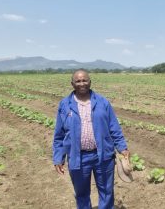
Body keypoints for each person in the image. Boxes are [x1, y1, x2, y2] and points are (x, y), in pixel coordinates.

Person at [52, 69, 130, 209]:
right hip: (78, 157)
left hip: (103, 156)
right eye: (78, 81)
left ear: (90, 82)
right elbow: (60, 135)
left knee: (106, 192)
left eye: (84, 80)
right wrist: (58, 157)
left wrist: (122, 147)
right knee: (81, 194)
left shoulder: (102, 102)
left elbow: (114, 127)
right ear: (72, 83)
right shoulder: (64, 105)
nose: (82, 83)